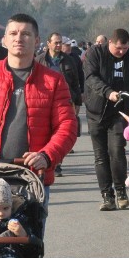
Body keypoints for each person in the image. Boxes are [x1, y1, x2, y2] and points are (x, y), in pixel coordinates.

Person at [0, 13, 76, 215]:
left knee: (27, 242)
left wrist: (47, 155)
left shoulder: (54, 81)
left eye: (26, 34)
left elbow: (67, 126)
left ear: (37, 41)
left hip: (31, 178)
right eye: (13, 33)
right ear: (4, 40)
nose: (19, 38)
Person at [84, 28, 129, 211]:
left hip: (120, 112)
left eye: (125, 48)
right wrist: (108, 93)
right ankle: (107, 196)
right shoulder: (95, 53)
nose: (121, 52)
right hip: (96, 111)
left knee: (117, 151)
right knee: (100, 156)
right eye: (118, 48)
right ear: (110, 43)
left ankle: (121, 191)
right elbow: (91, 78)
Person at [36, 33, 82, 177]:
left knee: (60, 132)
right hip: (43, 100)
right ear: (48, 43)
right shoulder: (39, 60)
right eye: (55, 42)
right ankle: (46, 159)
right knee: (46, 132)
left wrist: (78, 101)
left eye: (59, 43)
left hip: (64, 100)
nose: (58, 45)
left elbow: (75, 81)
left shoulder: (68, 60)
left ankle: (57, 163)